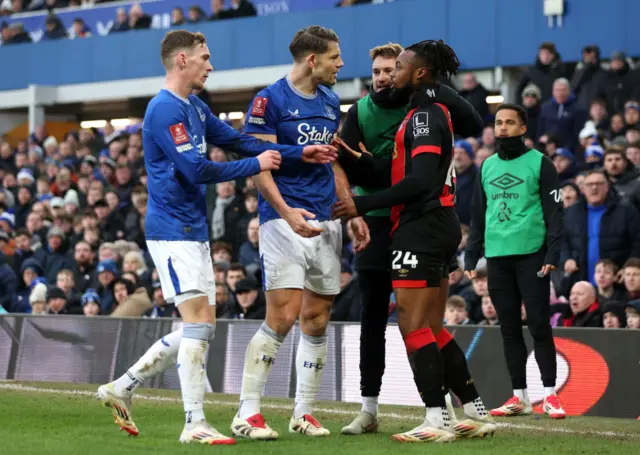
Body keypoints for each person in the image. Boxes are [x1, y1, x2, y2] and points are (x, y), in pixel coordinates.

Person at [96, 30, 337, 446]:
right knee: (200, 326)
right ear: (182, 61)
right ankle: (193, 423)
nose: (211, 65)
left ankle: (123, 386)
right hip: (170, 230)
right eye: (205, 58)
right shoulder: (163, 110)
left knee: (200, 327)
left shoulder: (195, 106)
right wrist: (256, 165)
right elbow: (196, 170)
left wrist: (299, 153)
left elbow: (239, 140)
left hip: (193, 227)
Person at [332, 39, 495, 443]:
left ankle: (436, 419)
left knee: (413, 326)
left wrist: (360, 204)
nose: (392, 74)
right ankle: (474, 411)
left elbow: (419, 181)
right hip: (438, 224)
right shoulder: (429, 112)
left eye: (400, 66)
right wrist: (363, 163)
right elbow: (408, 169)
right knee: (432, 327)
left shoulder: (423, 115)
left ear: (419, 73)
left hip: (420, 225)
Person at [229, 25, 369, 441]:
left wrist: (352, 209)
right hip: (285, 218)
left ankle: (303, 413)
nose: (341, 64)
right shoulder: (268, 100)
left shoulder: (329, 100)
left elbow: (333, 162)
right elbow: (259, 163)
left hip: (327, 218)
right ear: (313, 59)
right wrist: (286, 213)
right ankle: (247, 412)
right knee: (284, 314)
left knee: (317, 317)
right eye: (335, 57)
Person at [464, 103, 566, 420]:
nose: (503, 127)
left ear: (523, 128)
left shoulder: (541, 164)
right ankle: (519, 397)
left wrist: (552, 254)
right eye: (499, 122)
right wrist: (472, 252)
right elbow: (478, 215)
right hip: (497, 257)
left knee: (538, 324)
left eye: (510, 122)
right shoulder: (488, 167)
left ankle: (550, 396)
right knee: (509, 328)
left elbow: (555, 213)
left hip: (531, 254)